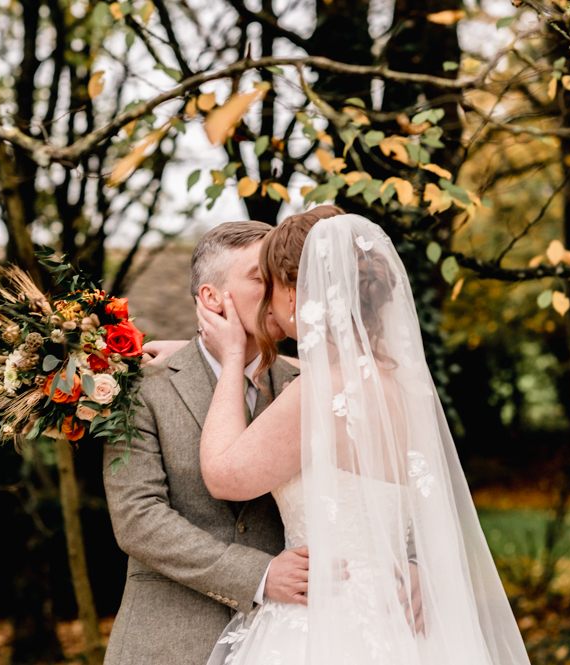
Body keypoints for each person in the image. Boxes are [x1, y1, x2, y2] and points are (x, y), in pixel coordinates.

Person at [191, 209, 531, 665]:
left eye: (269, 286)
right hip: (397, 617)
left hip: (324, 619)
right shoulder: (404, 389)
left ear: (293, 294)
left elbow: (224, 476)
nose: (265, 305)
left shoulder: (318, 392)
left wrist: (232, 357)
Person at [102, 221, 310, 665]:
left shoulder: (307, 386)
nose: (279, 290)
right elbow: (137, 518)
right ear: (211, 299)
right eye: (260, 277)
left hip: (289, 640)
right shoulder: (140, 387)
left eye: (282, 275)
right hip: (168, 640)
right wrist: (259, 574)